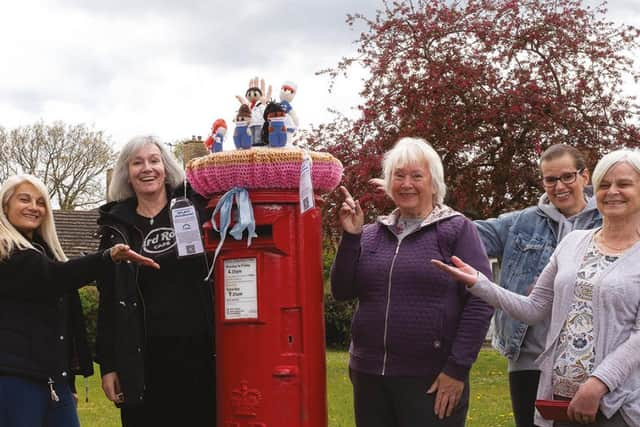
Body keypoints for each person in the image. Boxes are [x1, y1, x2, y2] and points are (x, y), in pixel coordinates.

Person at [433, 148, 640, 427]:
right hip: (556, 392)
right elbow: (534, 308)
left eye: (624, 184)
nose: (612, 191)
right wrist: (479, 283)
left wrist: (597, 385)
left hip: (617, 401)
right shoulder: (573, 242)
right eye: (605, 184)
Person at [331, 137, 494, 427]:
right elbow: (342, 291)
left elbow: (481, 300)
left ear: (434, 183)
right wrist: (351, 237)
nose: (407, 184)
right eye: (399, 175)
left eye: (417, 176)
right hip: (369, 376)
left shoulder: (456, 229)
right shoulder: (371, 234)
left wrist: (457, 370)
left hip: (430, 378)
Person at [0, 174, 157, 427]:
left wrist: (69, 382)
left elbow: (65, 324)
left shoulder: (47, 252)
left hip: (54, 382)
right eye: (24, 199)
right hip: (15, 381)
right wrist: (107, 257)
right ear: (5, 205)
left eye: (41, 202)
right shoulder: (6, 252)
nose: (34, 207)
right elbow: (52, 276)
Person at [474, 144, 602, 427]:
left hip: (589, 358)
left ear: (585, 176)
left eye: (567, 176)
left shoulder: (607, 220)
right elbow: (464, 235)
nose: (559, 186)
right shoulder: (521, 222)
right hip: (529, 358)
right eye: (550, 179)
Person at [95, 135, 216, 427]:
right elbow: (109, 300)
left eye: (154, 160)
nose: (146, 168)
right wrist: (109, 366)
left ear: (166, 167)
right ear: (127, 173)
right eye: (137, 162)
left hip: (199, 353)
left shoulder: (194, 209)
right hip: (141, 359)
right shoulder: (116, 227)